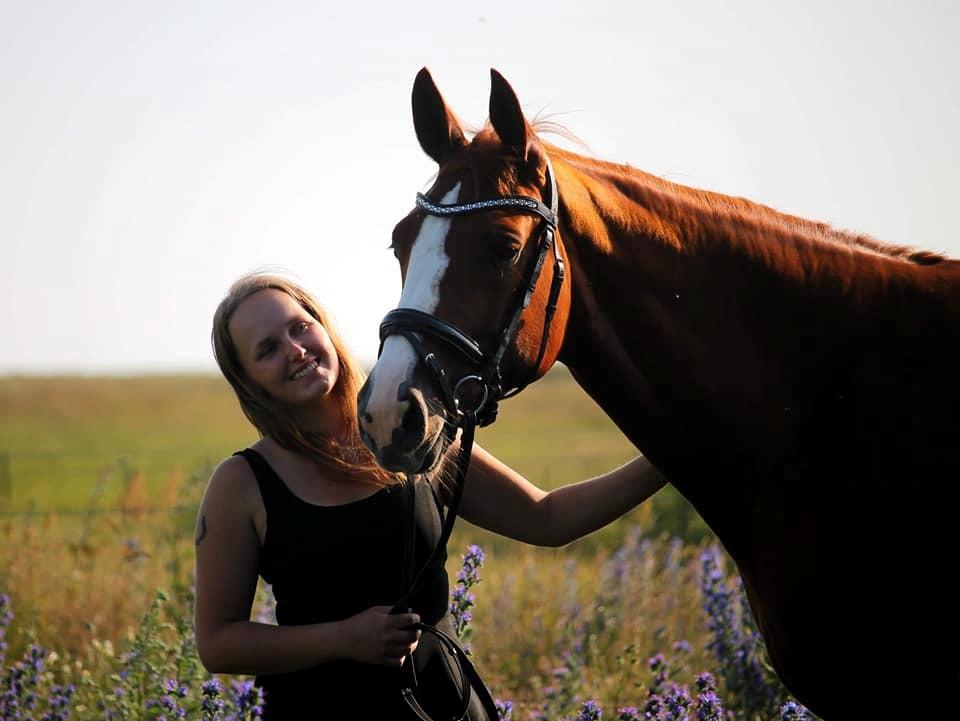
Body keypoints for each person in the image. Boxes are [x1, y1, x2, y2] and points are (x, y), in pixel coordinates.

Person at [194, 271, 668, 720]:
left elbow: (547, 518)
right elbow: (218, 643)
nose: (295, 350)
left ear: (324, 327)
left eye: (301, 327)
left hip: (439, 703)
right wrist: (343, 639)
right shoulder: (242, 482)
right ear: (249, 382)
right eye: (268, 349)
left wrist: (672, 458)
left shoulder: (413, 432)